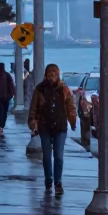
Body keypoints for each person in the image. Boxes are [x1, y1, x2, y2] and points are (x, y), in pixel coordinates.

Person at [28, 63, 76, 196]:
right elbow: (34, 107)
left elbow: (71, 106)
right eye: (50, 73)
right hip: (45, 127)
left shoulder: (64, 89)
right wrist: (32, 122)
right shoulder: (40, 89)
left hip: (60, 127)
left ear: (58, 75)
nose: (52, 76)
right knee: (47, 156)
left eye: (55, 74)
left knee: (59, 156)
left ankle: (58, 181)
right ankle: (48, 178)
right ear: (46, 74)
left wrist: (72, 121)